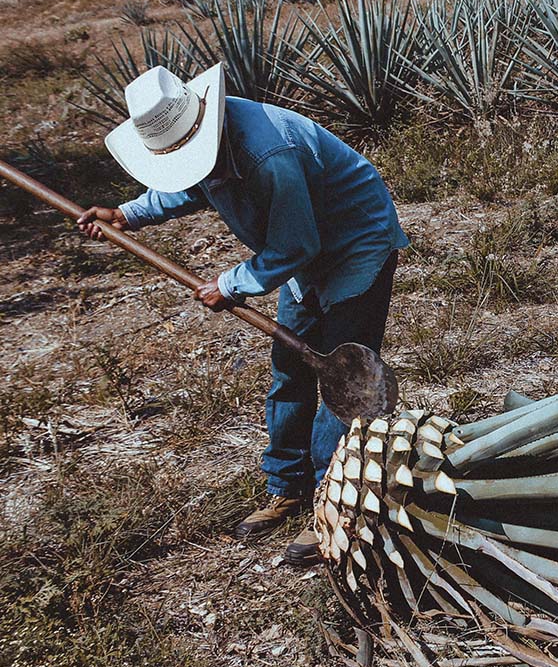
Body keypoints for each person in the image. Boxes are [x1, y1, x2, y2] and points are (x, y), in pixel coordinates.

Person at [78, 62, 408, 566]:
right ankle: (287, 486)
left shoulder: (268, 154)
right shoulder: (204, 139)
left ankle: (335, 502)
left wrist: (231, 284)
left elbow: (296, 245)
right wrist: (128, 213)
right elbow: (190, 182)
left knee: (343, 382)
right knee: (290, 370)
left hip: (355, 244)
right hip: (301, 253)